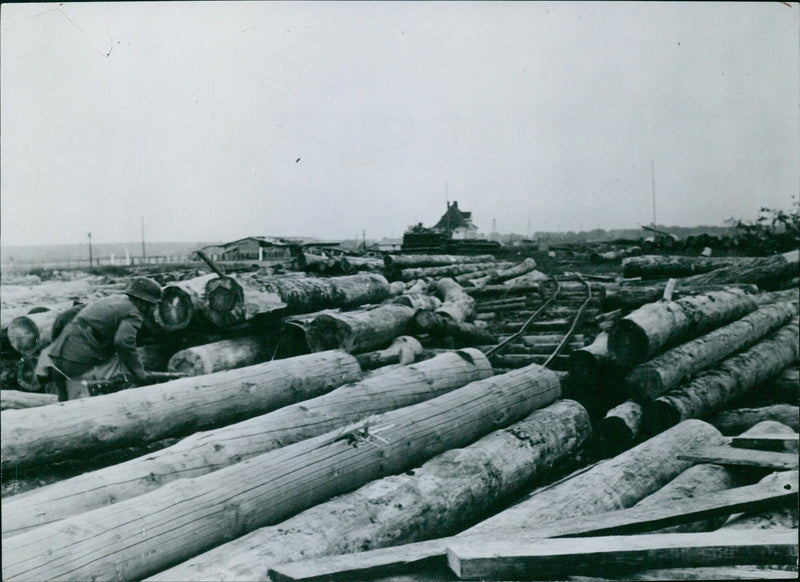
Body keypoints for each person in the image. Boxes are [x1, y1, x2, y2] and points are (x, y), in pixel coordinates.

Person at [35, 277, 162, 400]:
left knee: (66, 400)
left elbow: (65, 316)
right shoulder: (134, 313)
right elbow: (124, 342)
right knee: (122, 369)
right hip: (78, 360)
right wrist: (139, 374)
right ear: (144, 303)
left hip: (58, 353)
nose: (154, 309)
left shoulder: (112, 300)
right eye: (153, 305)